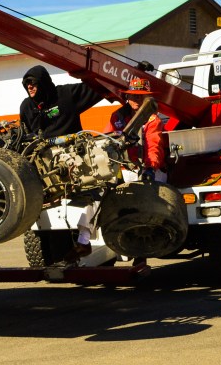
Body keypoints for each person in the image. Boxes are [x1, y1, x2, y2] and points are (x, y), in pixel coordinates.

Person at [19, 65, 104, 263]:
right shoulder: (26, 106)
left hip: (75, 160)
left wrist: (118, 74)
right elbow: (24, 135)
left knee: (92, 198)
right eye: (26, 83)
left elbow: (98, 88)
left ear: (43, 82)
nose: (30, 86)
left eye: (33, 82)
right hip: (45, 167)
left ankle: (83, 242)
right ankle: (55, 258)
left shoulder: (66, 95)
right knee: (48, 210)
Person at [105, 77, 169, 183]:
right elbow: (106, 140)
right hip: (124, 170)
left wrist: (150, 168)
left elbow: (154, 146)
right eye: (134, 95)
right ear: (127, 96)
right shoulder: (117, 117)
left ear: (148, 97)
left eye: (141, 95)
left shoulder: (153, 120)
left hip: (149, 170)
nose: (137, 99)